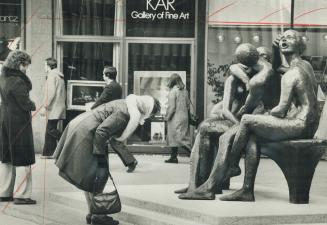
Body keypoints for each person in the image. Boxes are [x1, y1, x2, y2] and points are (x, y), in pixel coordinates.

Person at [220, 29, 319, 202]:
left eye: (290, 38)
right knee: (252, 132)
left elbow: (280, 110)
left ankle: (233, 164)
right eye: (283, 38)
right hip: (310, 124)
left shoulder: (290, 75)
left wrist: (268, 112)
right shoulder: (306, 66)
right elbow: (311, 94)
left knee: (246, 120)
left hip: (299, 125)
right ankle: (246, 190)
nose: (285, 40)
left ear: (300, 45)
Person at [178, 43, 273, 199]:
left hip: (254, 124)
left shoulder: (267, 79)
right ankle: (196, 183)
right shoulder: (235, 78)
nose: (259, 61)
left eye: (264, 57)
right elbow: (226, 110)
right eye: (257, 56)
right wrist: (239, 124)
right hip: (238, 122)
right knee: (203, 130)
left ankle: (207, 185)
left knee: (212, 132)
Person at [53, 94, 160, 225]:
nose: (148, 118)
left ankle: (93, 213)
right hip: (88, 134)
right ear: (146, 110)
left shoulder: (125, 104)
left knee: (90, 177)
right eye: (150, 115)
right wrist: (100, 156)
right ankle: (98, 217)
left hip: (84, 128)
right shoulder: (125, 114)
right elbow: (102, 131)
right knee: (97, 176)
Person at [0, 50, 37, 204]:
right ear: (19, 64)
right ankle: (22, 195)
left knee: (7, 159)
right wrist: (33, 104)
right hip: (19, 122)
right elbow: (25, 103)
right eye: (25, 65)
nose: (26, 68)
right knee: (23, 158)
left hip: (4, 120)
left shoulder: (3, 77)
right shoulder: (18, 80)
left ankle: (4, 192)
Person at [91, 66, 138, 173]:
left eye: (103, 74)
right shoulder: (117, 86)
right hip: (119, 115)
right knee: (114, 140)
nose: (102, 76)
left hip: (113, 116)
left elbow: (101, 100)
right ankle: (131, 162)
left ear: (107, 75)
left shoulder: (110, 87)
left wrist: (92, 108)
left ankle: (100, 164)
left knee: (100, 135)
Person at [41, 57, 66, 158]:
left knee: (50, 130)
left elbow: (50, 93)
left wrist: (45, 106)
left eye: (44, 65)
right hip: (58, 106)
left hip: (54, 107)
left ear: (48, 66)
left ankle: (65, 140)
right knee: (50, 129)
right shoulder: (59, 75)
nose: (44, 67)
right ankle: (49, 153)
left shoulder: (52, 75)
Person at [164, 73, 191, 163]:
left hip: (175, 117)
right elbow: (187, 105)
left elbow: (172, 107)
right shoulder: (185, 91)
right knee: (177, 136)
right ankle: (173, 157)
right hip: (184, 117)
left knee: (179, 138)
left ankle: (194, 153)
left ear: (172, 81)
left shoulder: (173, 92)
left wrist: (167, 117)